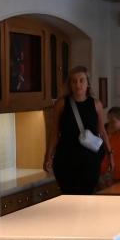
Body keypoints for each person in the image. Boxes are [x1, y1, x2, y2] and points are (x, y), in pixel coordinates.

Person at [44, 65, 107, 195]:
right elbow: (54, 132)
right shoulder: (62, 104)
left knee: (87, 197)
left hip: (89, 161)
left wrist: (110, 154)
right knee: (69, 196)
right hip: (66, 160)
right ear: (70, 85)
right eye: (74, 81)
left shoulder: (96, 105)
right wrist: (48, 156)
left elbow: (102, 132)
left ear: (88, 83)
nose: (78, 85)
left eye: (81, 80)